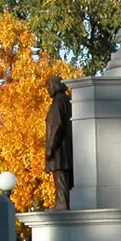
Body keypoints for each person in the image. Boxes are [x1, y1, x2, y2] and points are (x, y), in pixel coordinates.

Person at [44, 76, 73, 210]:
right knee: (63, 176)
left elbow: (56, 125)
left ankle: (62, 203)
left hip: (59, 148)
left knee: (60, 174)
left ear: (56, 86)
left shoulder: (58, 102)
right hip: (65, 145)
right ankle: (62, 201)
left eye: (50, 86)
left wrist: (50, 147)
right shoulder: (67, 100)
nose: (48, 89)